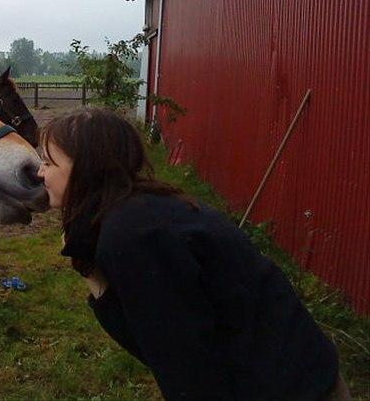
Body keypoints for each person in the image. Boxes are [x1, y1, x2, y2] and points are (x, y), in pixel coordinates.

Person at [37, 107, 350, 401]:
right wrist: (91, 270)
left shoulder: (134, 233)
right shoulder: (140, 209)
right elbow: (149, 338)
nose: (40, 172)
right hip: (290, 375)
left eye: (50, 163)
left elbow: (182, 362)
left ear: (87, 168)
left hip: (288, 389)